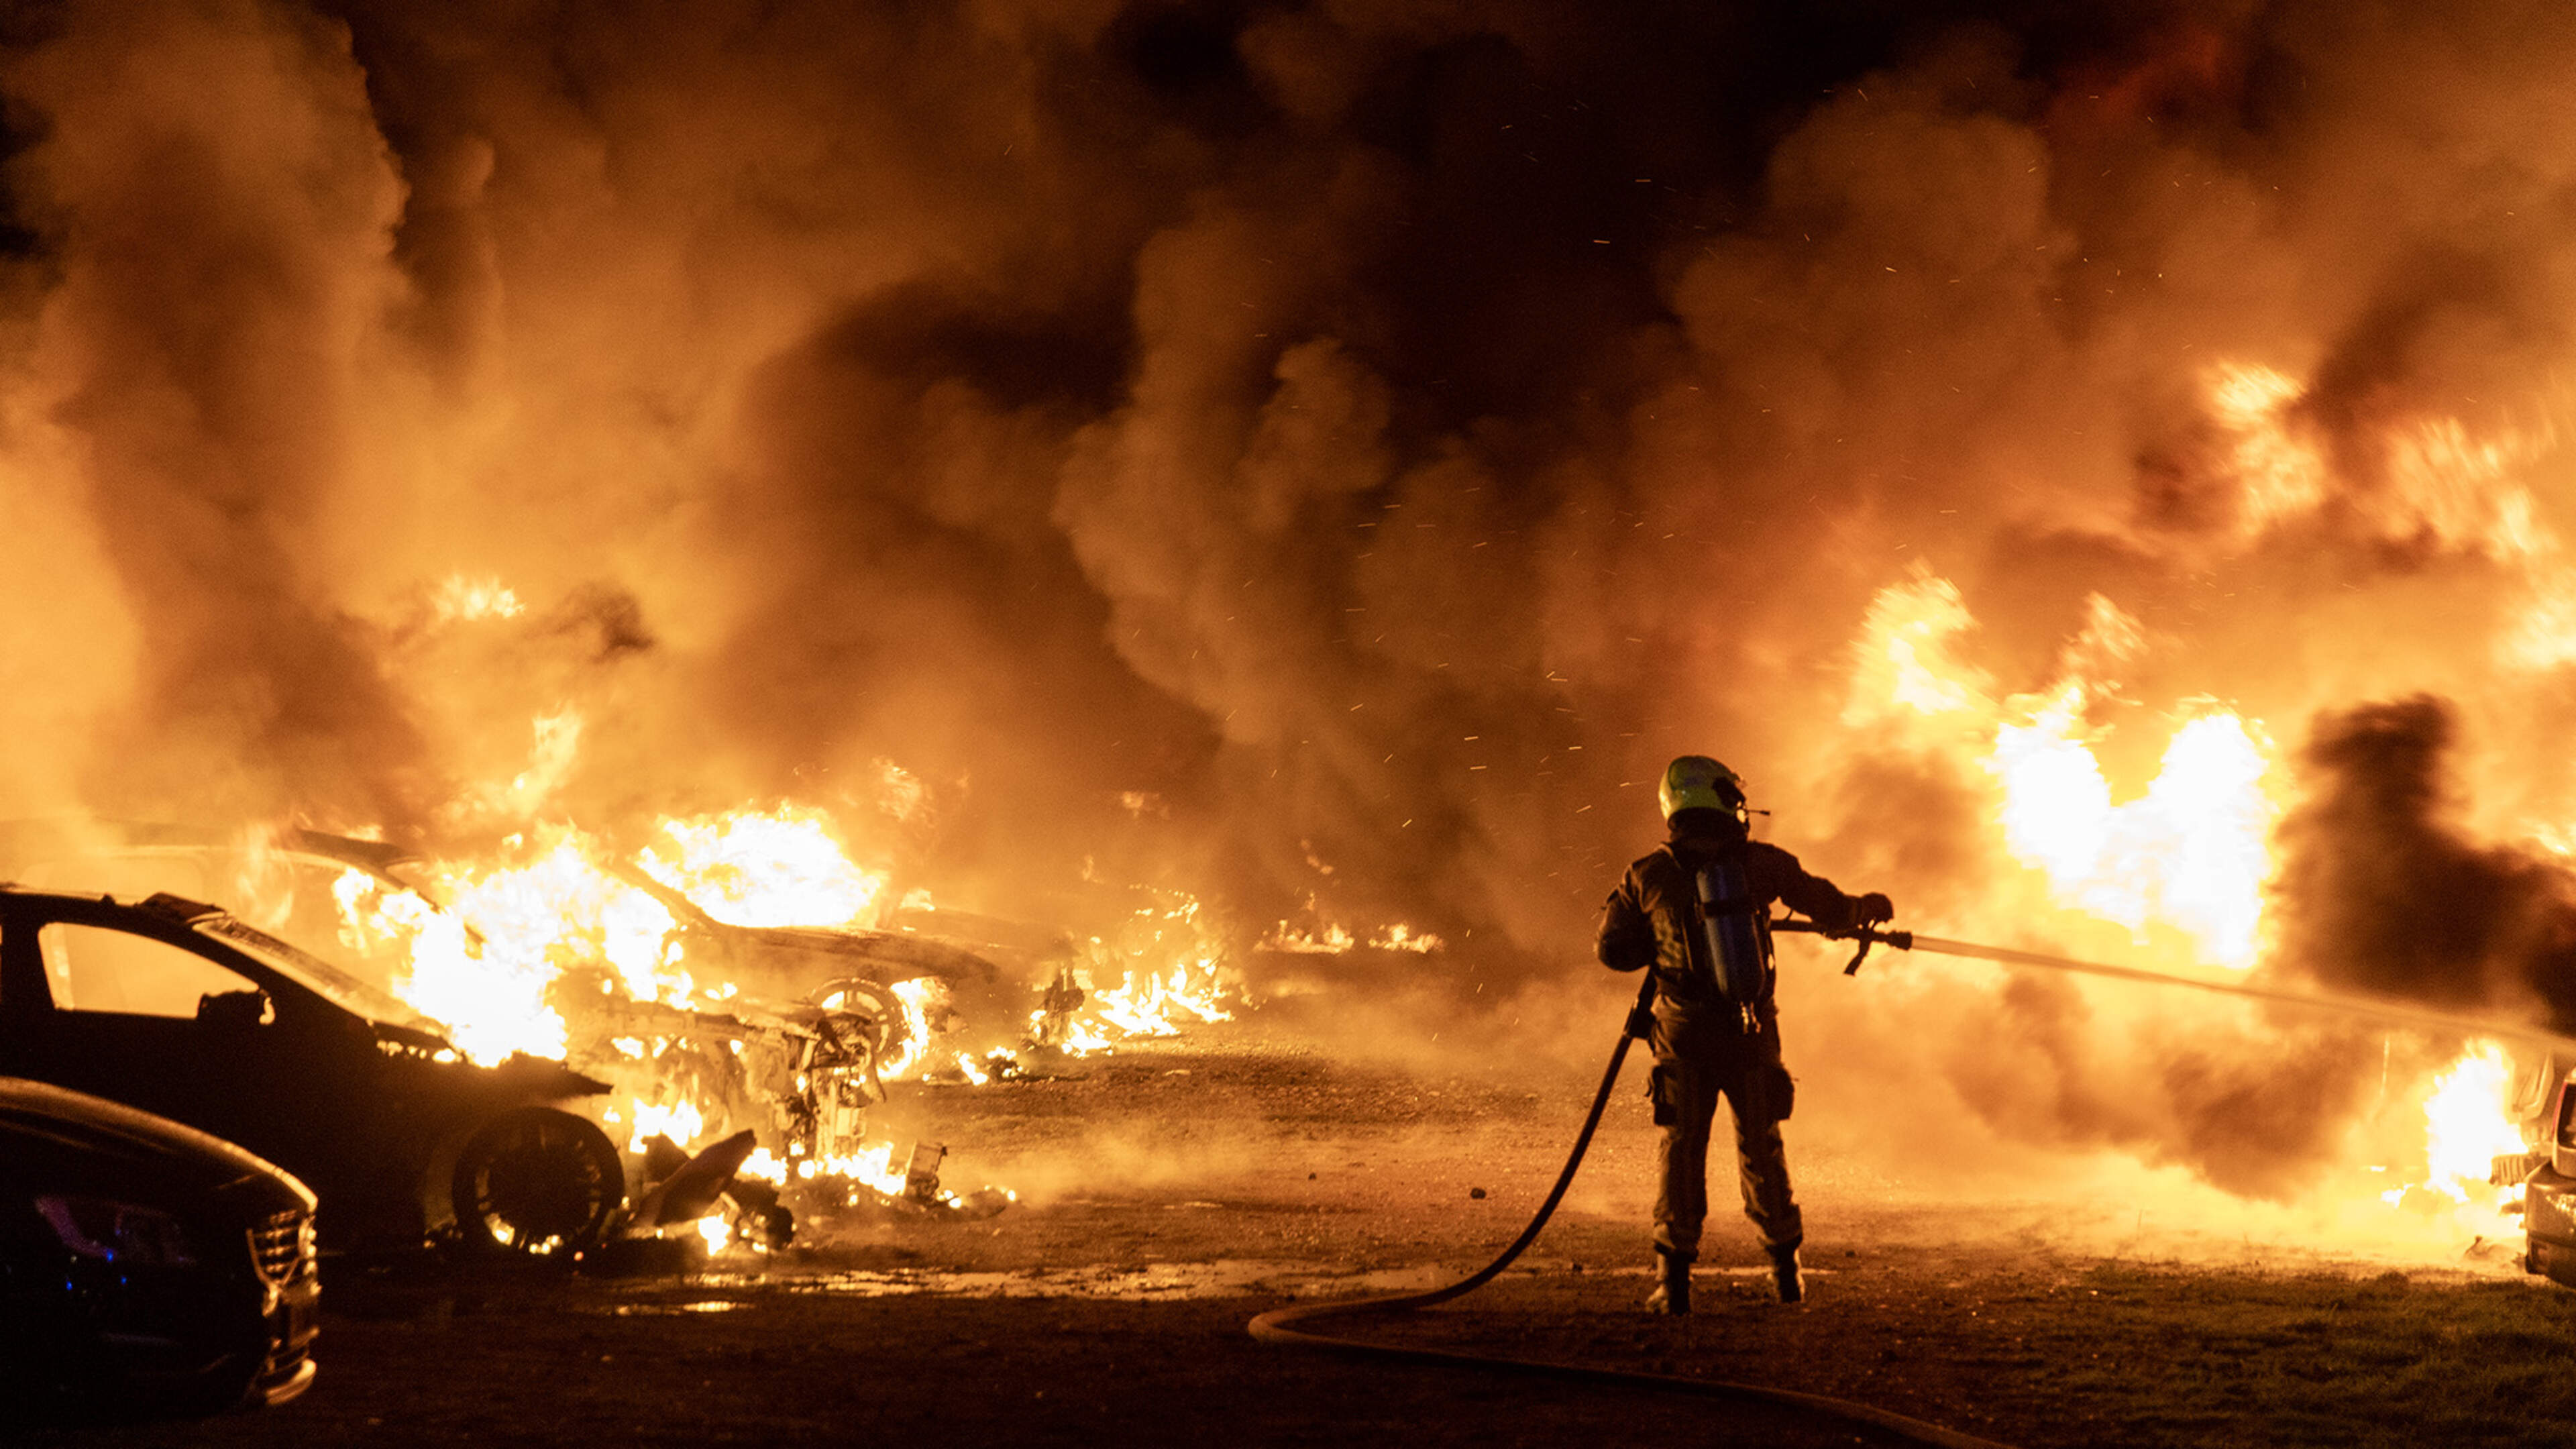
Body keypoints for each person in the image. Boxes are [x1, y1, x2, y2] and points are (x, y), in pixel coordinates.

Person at [1595, 755, 1892, 1313]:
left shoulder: (1647, 874)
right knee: (1762, 1147)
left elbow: (1612, 950)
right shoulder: (1760, 865)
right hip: (1751, 1033)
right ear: (1716, 799)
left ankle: (1674, 1285)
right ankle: (1786, 1275)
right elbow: (1828, 906)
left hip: (1683, 1036)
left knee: (1681, 1151)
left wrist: (1659, 942)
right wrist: (1863, 909)